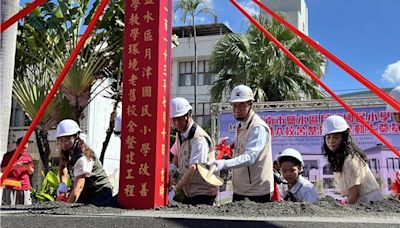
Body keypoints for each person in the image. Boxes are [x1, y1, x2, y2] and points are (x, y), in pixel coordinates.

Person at [210, 85, 274, 203]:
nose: (237, 109)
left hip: (256, 192)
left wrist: (224, 163)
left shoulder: (257, 127)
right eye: (234, 105)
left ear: (251, 105)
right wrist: (230, 144)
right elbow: (241, 144)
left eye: (242, 105)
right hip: (241, 190)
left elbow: (250, 157)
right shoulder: (241, 125)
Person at [322, 115, 383, 204]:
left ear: (344, 138)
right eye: (328, 137)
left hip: (369, 203)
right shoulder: (341, 159)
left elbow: (354, 194)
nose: (331, 141)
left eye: (336, 137)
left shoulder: (350, 160)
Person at [169, 97, 218, 205]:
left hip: (203, 191)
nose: (177, 123)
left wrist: (176, 188)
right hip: (189, 190)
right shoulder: (180, 133)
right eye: (174, 120)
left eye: (180, 119)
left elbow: (193, 168)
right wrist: (172, 170)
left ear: (188, 116)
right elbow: (176, 156)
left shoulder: (199, 138)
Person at [56, 119, 114, 206]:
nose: (64, 143)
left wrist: (65, 208)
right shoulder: (67, 150)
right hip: (86, 191)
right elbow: (63, 166)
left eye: (67, 139)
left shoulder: (82, 157)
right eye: (61, 140)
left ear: (76, 137)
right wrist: (62, 185)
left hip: (100, 192)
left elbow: (78, 187)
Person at [1, 137, 34, 205]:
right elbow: (2, 170)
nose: (24, 150)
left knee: (25, 210)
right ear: (17, 145)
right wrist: (14, 167)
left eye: (26, 148)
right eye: (23, 147)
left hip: (24, 186)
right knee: (10, 210)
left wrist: (28, 167)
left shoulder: (28, 156)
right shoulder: (8, 155)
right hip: (11, 186)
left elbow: (31, 172)